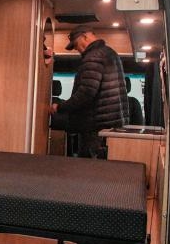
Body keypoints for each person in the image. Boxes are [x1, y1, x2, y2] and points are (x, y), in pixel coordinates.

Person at [50, 25, 128, 158]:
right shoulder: (111, 53)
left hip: (94, 125)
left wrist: (60, 107)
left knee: (88, 167)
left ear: (85, 36)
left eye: (76, 45)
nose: (76, 50)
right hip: (111, 124)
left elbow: (86, 93)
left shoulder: (93, 57)